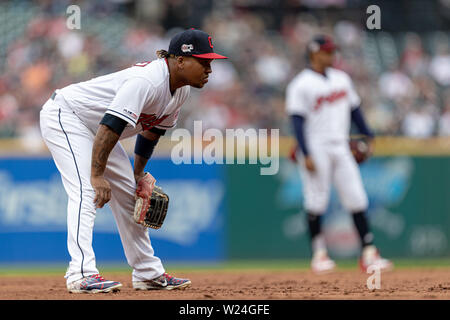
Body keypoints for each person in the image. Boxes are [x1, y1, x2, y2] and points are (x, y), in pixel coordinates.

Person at [39, 29, 227, 293]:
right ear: (180, 60)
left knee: (129, 195)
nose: (209, 69)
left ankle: (147, 273)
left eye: (210, 63)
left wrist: (138, 174)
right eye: (204, 62)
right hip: (68, 116)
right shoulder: (148, 81)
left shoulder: (180, 91)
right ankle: (80, 273)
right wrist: (97, 175)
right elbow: (110, 126)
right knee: (86, 189)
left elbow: (152, 133)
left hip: (100, 129)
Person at [285, 35, 393, 274]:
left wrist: (368, 134)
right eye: (327, 51)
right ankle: (319, 254)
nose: (332, 55)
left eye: (333, 51)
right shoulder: (301, 84)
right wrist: (306, 152)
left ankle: (368, 253)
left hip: (341, 145)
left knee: (357, 197)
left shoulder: (341, 79)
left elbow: (354, 110)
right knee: (316, 200)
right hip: (315, 145)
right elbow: (297, 121)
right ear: (314, 54)